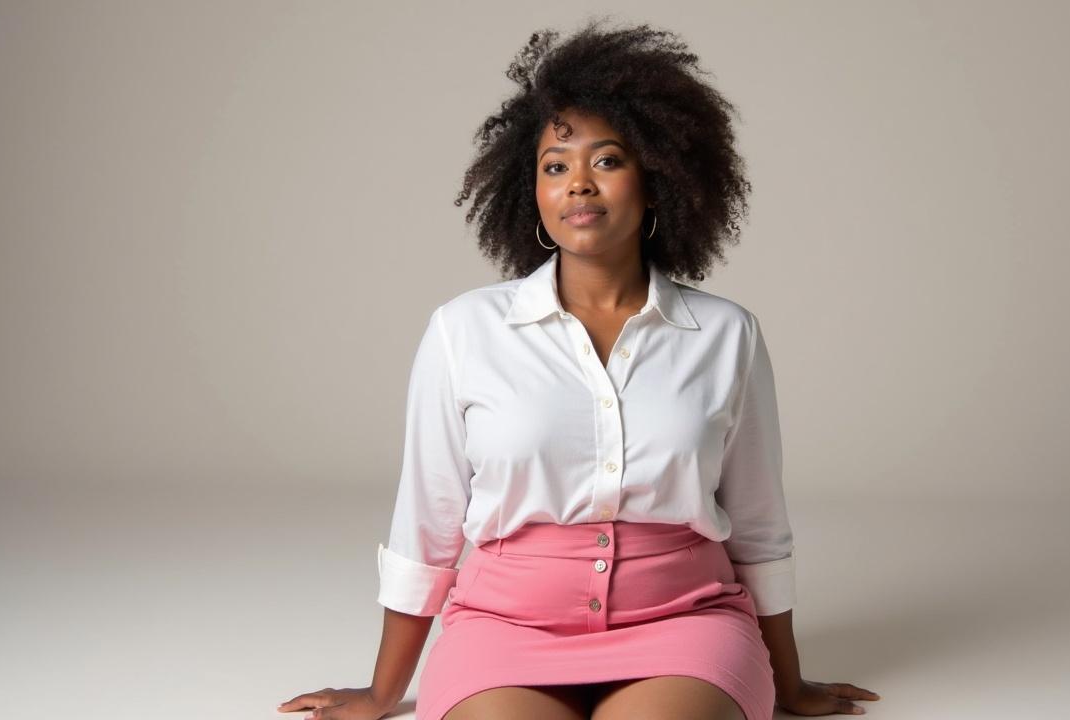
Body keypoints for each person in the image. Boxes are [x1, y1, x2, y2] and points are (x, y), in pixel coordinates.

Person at [279, 17, 881, 720]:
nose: (580, 185)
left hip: (682, 625)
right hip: (504, 631)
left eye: (609, 161)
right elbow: (428, 519)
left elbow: (756, 523)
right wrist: (384, 690)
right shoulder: (463, 331)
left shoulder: (726, 335)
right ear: (530, 193)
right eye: (556, 167)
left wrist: (789, 678)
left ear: (656, 183)